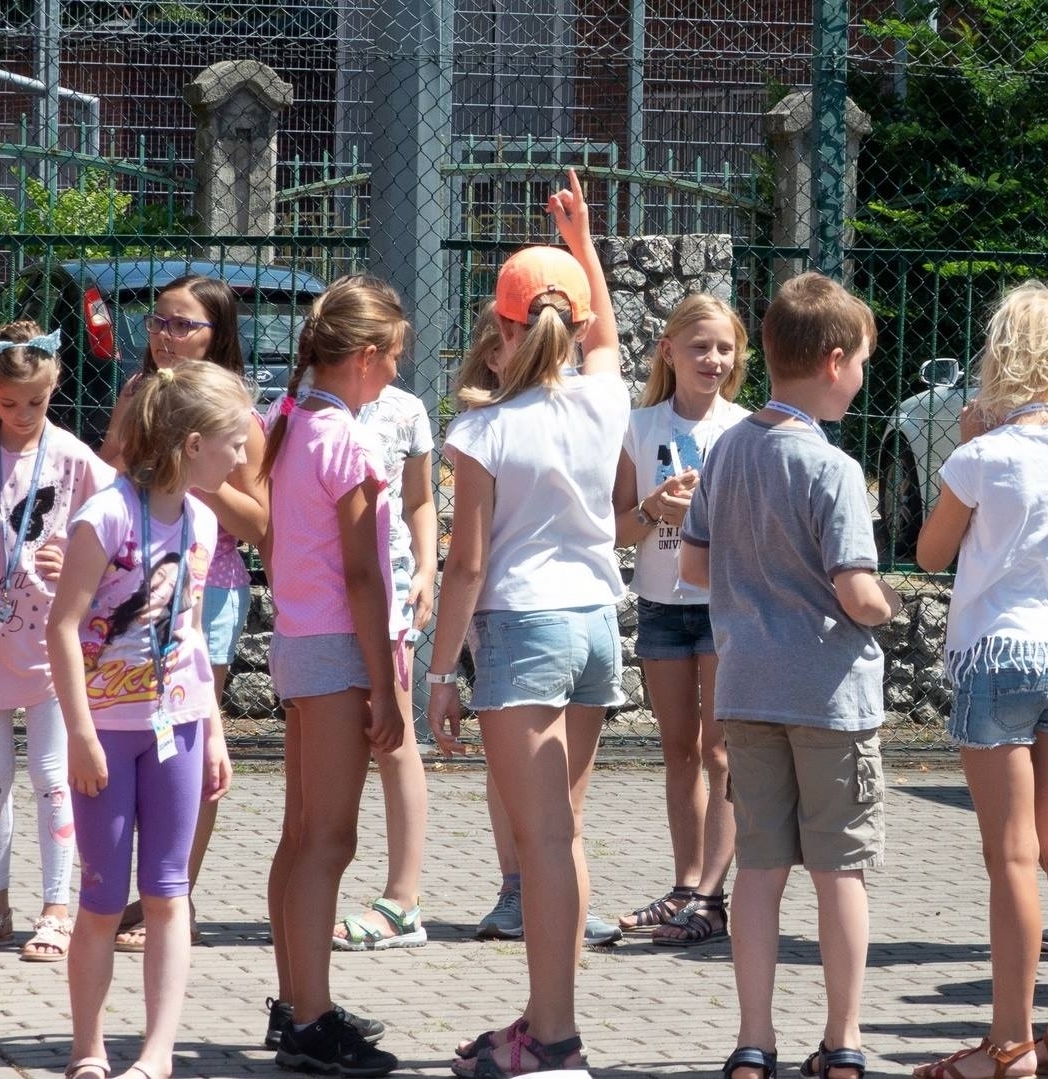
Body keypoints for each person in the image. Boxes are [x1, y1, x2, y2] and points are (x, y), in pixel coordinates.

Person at [428, 169, 625, 1078]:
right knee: (564, 838)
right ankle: (546, 1022)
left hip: (523, 631)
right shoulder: (603, 398)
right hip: (595, 629)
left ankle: (552, 1042)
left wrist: (438, 676)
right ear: (575, 325)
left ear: (502, 330)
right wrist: (582, 242)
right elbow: (608, 334)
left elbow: (465, 564)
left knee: (541, 843)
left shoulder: (482, 433)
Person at [681, 271, 900, 1079]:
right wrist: (889, 607)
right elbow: (855, 590)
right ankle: (842, 1041)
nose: (863, 376)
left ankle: (752, 1039)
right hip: (829, 695)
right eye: (864, 363)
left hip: (747, 687)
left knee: (760, 871)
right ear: (835, 361)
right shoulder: (832, 467)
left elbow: (697, 564)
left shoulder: (730, 445)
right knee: (840, 870)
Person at [908, 281, 1048, 1079]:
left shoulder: (978, 455)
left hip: (997, 654)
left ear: (1001, 359)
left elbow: (930, 551)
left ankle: (1008, 1042)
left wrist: (963, 453)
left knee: (1010, 855)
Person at [45, 361, 244, 1079]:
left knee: (167, 892)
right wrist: (81, 733)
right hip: (106, 734)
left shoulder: (204, 521)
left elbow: (189, 633)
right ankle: (88, 1048)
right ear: (193, 443)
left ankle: (156, 1055)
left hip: (179, 728)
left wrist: (214, 731)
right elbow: (63, 627)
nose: (244, 457)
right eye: (235, 442)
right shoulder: (107, 513)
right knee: (99, 900)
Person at [259, 275, 411, 1076]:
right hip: (335, 650)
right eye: (390, 360)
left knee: (302, 833)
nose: (393, 376)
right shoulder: (346, 439)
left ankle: (297, 1002)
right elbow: (364, 575)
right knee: (330, 838)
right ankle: (312, 1017)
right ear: (363, 356)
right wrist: (385, 683)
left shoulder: (289, 419)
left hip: (300, 641)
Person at [0, 321, 114, 962]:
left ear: (55, 383)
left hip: (53, 644)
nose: (24, 413)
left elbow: (121, 526)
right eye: (9, 403)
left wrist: (85, 566)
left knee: (50, 774)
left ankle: (57, 909)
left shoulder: (74, 457)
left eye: (34, 401)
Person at [100, 274, 270, 952]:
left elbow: (259, 522)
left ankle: (176, 897)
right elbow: (106, 472)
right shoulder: (139, 394)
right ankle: (126, 893)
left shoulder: (237, 416)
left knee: (190, 745)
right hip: (130, 584)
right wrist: (132, 446)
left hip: (210, 586)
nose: (167, 337)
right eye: (159, 323)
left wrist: (199, 471)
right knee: (126, 736)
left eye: (183, 325)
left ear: (216, 335)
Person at [613, 293, 752, 946]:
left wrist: (709, 518)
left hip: (724, 605)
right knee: (678, 752)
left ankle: (711, 896)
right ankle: (683, 884)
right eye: (700, 346)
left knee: (719, 750)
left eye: (724, 347)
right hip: (662, 606)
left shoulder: (746, 429)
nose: (714, 359)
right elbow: (614, 527)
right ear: (668, 351)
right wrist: (651, 510)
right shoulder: (641, 428)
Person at [330, 324, 439, 952]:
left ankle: (403, 898)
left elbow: (420, 500)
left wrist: (426, 569)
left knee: (394, 737)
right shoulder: (303, 409)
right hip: (323, 600)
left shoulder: (406, 410)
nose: (399, 367)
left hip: (388, 593)